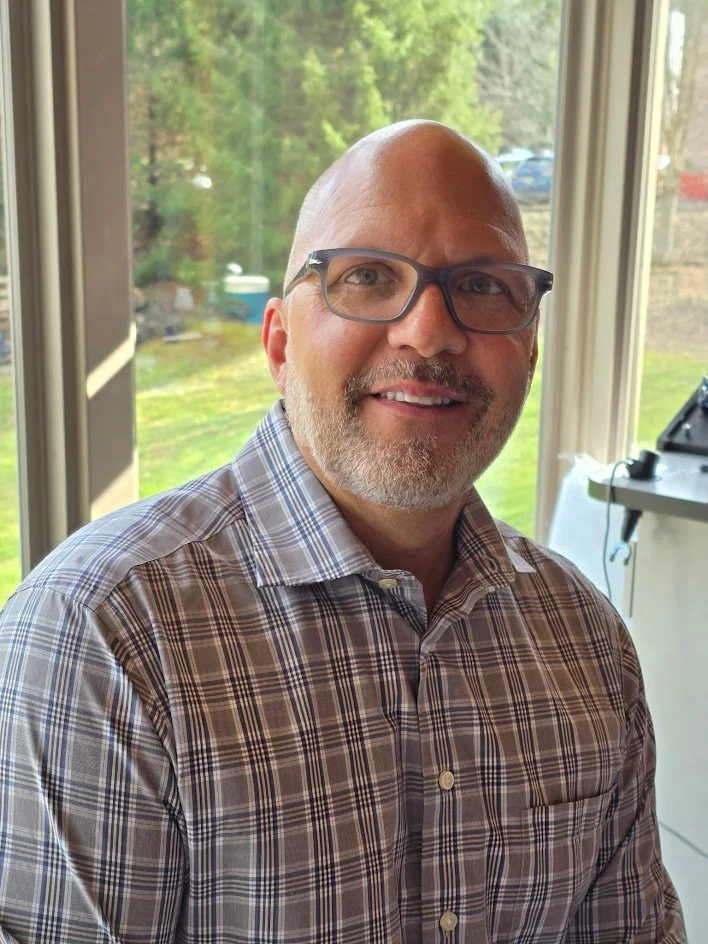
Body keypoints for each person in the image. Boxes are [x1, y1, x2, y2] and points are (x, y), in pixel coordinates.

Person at [0, 121, 686, 943]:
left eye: (482, 286)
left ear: (530, 350)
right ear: (280, 342)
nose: (429, 331)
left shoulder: (586, 642)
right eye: (366, 276)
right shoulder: (103, 637)